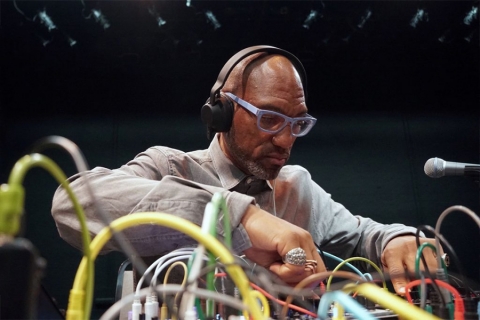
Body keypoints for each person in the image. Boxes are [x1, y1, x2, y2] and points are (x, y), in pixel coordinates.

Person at [51, 45, 438, 294]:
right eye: (270, 119)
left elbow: (364, 235)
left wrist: (396, 239)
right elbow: (72, 205)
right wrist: (240, 217)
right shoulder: (170, 166)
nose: (286, 141)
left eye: (298, 124)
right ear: (222, 112)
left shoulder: (297, 188)